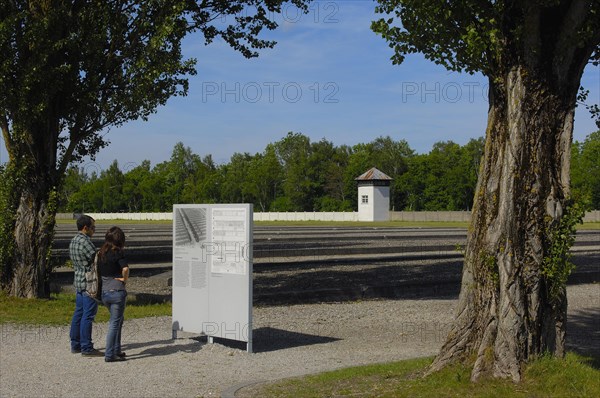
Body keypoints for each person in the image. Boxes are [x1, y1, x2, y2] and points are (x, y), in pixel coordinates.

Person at [69, 214, 103, 356]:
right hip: (89, 282)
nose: (94, 230)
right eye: (93, 228)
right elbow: (97, 259)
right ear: (85, 228)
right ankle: (86, 347)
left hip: (78, 281)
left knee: (79, 313)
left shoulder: (74, 241)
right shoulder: (86, 242)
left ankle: (75, 344)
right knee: (88, 316)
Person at [97, 226, 129, 363]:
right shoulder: (118, 253)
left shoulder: (101, 253)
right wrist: (124, 279)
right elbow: (125, 268)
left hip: (105, 292)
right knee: (114, 323)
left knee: (118, 320)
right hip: (117, 292)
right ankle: (110, 354)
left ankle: (116, 349)